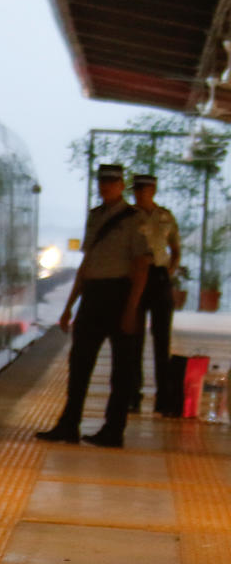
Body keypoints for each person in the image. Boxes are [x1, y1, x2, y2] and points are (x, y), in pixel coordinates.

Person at [36, 163, 149, 447]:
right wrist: (69, 305)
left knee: (122, 369)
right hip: (94, 294)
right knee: (79, 362)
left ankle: (114, 430)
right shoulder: (95, 217)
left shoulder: (135, 219)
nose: (105, 187)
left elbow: (141, 265)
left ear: (122, 185)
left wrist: (132, 308)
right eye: (102, 182)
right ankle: (68, 424)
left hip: (120, 294)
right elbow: (87, 263)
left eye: (111, 182)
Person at [132, 172, 183, 417]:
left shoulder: (165, 216)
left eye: (146, 189)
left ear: (154, 190)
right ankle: (133, 394)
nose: (142, 193)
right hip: (136, 277)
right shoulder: (129, 217)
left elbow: (175, 249)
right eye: (138, 190)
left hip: (159, 277)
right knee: (134, 338)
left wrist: (169, 273)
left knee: (162, 339)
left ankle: (163, 397)